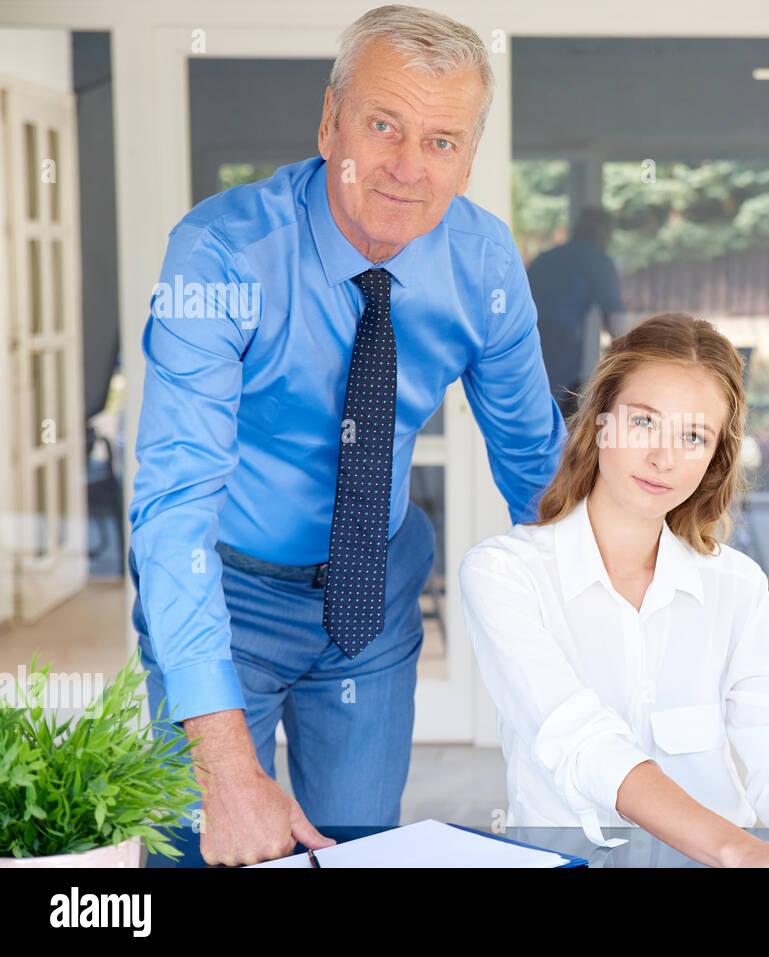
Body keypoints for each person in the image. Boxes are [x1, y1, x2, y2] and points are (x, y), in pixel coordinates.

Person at [127, 5, 565, 866]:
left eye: (442, 142)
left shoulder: (482, 263)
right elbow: (173, 502)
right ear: (330, 123)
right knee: (202, 845)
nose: (408, 167)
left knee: (358, 851)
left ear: (468, 159)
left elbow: (537, 469)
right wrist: (224, 767)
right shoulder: (220, 255)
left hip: (371, 593)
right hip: (223, 590)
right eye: (383, 125)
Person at [459, 313, 769, 867]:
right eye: (643, 423)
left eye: (693, 436)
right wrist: (742, 851)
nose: (664, 458)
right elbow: (585, 744)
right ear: (600, 422)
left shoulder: (736, 585)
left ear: (715, 458)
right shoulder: (505, 575)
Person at [527, 206, 626, 419]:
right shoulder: (598, 262)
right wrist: (629, 357)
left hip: (523, 342)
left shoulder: (546, 259)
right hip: (559, 349)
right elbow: (616, 321)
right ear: (603, 233)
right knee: (558, 418)